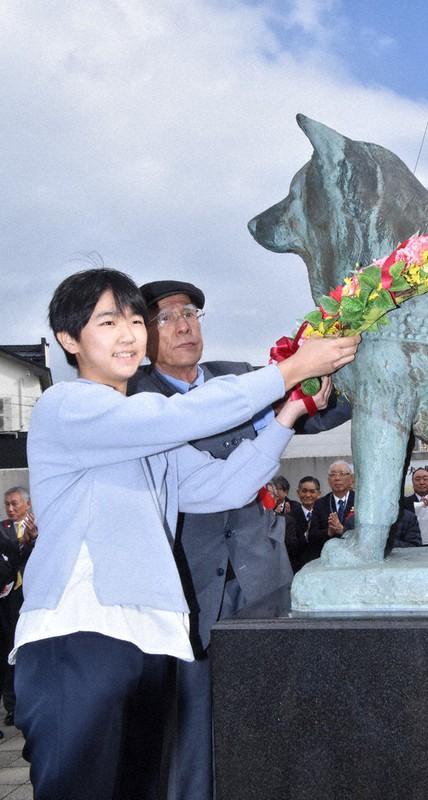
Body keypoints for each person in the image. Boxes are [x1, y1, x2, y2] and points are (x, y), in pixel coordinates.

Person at [12, 268, 359, 800]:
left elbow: (224, 485)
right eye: (108, 321)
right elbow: (179, 417)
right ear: (68, 339)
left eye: (133, 320)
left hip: (149, 644)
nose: (129, 334)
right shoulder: (67, 406)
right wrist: (289, 370)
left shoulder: (146, 437)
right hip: (78, 639)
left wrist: (289, 412)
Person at [128, 280, 360, 800]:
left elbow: (322, 407)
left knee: (274, 718)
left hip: (263, 581)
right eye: (165, 318)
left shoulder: (240, 376)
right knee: (191, 735)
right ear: (141, 335)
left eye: (191, 313)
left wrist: (339, 362)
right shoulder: (137, 397)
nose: (184, 325)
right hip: (189, 592)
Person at [0, 488, 37, 728]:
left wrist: (32, 540)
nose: (10, 509)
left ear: (27, 503)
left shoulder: (42, 526)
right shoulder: (2, 529)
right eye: (7, 505)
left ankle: (33, 703)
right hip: (8, 600)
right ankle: (12, 707)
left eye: (14, 504)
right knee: (8, 651)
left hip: (33, 598)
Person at [307, 461, 355, 561]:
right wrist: (329, 532)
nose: (337, 478)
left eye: (341, 474)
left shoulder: (360, 501)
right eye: (333, 475)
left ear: (351, 479)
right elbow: (312, 535)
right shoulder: (320, 504)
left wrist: (343, 530)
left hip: (354, 556)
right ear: (329, 480)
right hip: (328, 558)